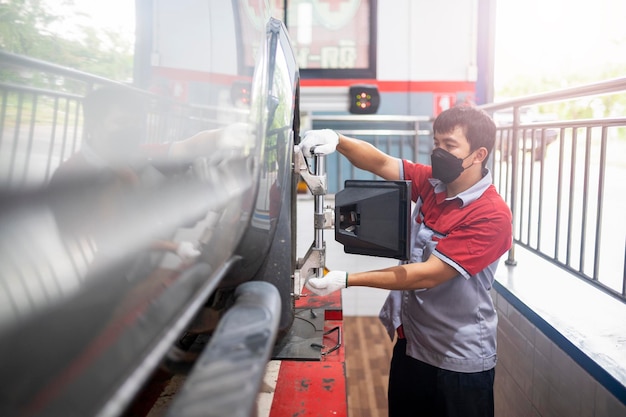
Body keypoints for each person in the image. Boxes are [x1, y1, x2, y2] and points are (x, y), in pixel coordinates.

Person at [299, 105, 512, 417]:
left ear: (479, 154)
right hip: (412, 344)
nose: (439, 153)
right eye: (436, 143)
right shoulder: (431, 185)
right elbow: (381, 162)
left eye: (450, 146)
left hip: (457, 364)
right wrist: (337, 139)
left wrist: (346, 279)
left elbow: (427, 275)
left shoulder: (490, 214)